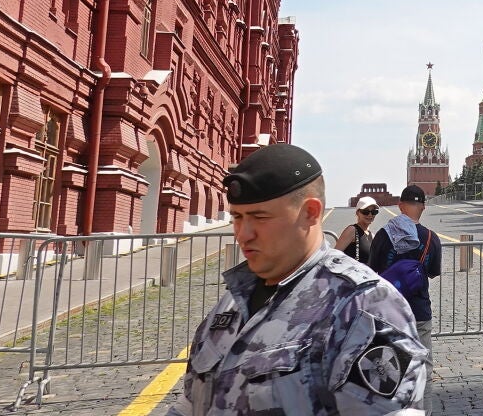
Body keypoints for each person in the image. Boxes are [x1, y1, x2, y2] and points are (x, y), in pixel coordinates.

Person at [168, 143, 426, 415]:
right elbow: (188, 404)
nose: (243, 234)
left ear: (310, 213)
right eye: (237, 217)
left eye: (259, 218)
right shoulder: (232, 301)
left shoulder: (364, 306)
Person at [370, 184, 442, 355]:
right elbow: (433, 272)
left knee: (391, 363)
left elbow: (372, 270)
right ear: (423, 207)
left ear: (400, 205)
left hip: (390, 310)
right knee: (423, 363)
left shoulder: (383, 234)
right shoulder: (432, 238)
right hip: (420, 310)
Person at [337, 195, 379, 263]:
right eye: (365, 212)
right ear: (357, 213)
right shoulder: (352, 230)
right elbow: (334, 256)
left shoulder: (372, 236)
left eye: (374, 212)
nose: (370, 215)